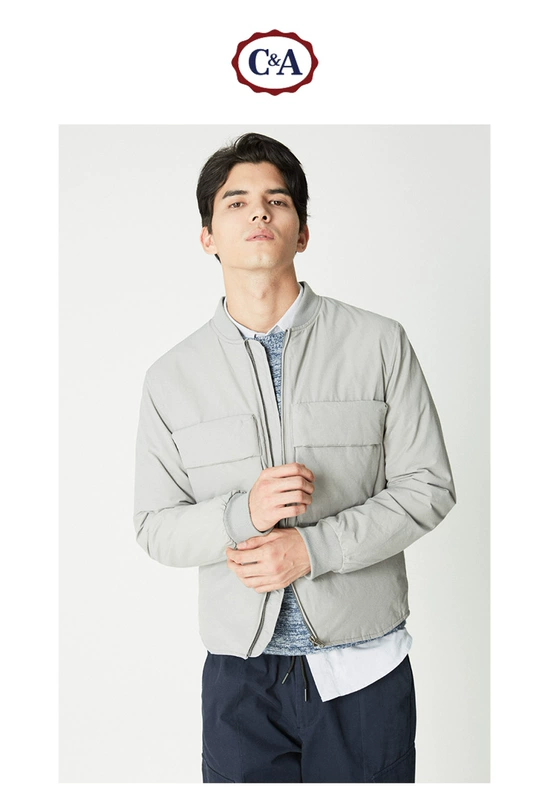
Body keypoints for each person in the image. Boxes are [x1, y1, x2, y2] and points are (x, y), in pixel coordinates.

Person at [133, 132, 457, 783]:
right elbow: (154, 527)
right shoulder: (171, 378)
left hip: (366, 670)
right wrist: (242, 514)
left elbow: (428, 487)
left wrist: (313, 549)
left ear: (302, 231)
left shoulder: (379, 343)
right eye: (236, 202)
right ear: (207, 236)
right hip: (238, 682)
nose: (258, 211)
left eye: (276, 200)